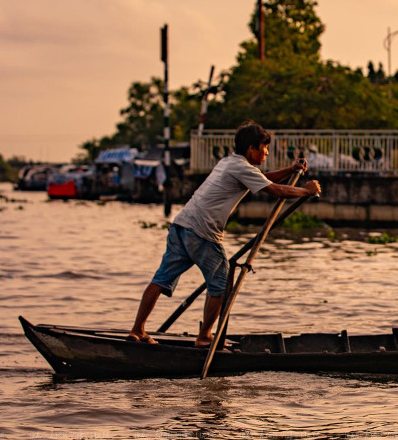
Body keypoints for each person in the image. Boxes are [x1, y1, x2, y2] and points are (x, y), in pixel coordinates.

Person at [127, 121, 321, 346]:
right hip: (203, 232)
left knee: (160, 280)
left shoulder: (229, 163)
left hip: (181, 226)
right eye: (264, 148)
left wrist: (290, 170)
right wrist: (306, 190)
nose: (266, 152)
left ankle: (137, 330)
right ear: (251, 149)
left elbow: (263, 179)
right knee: (220, 284)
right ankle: (204, 337)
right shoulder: (241, 168)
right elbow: (276, 190)